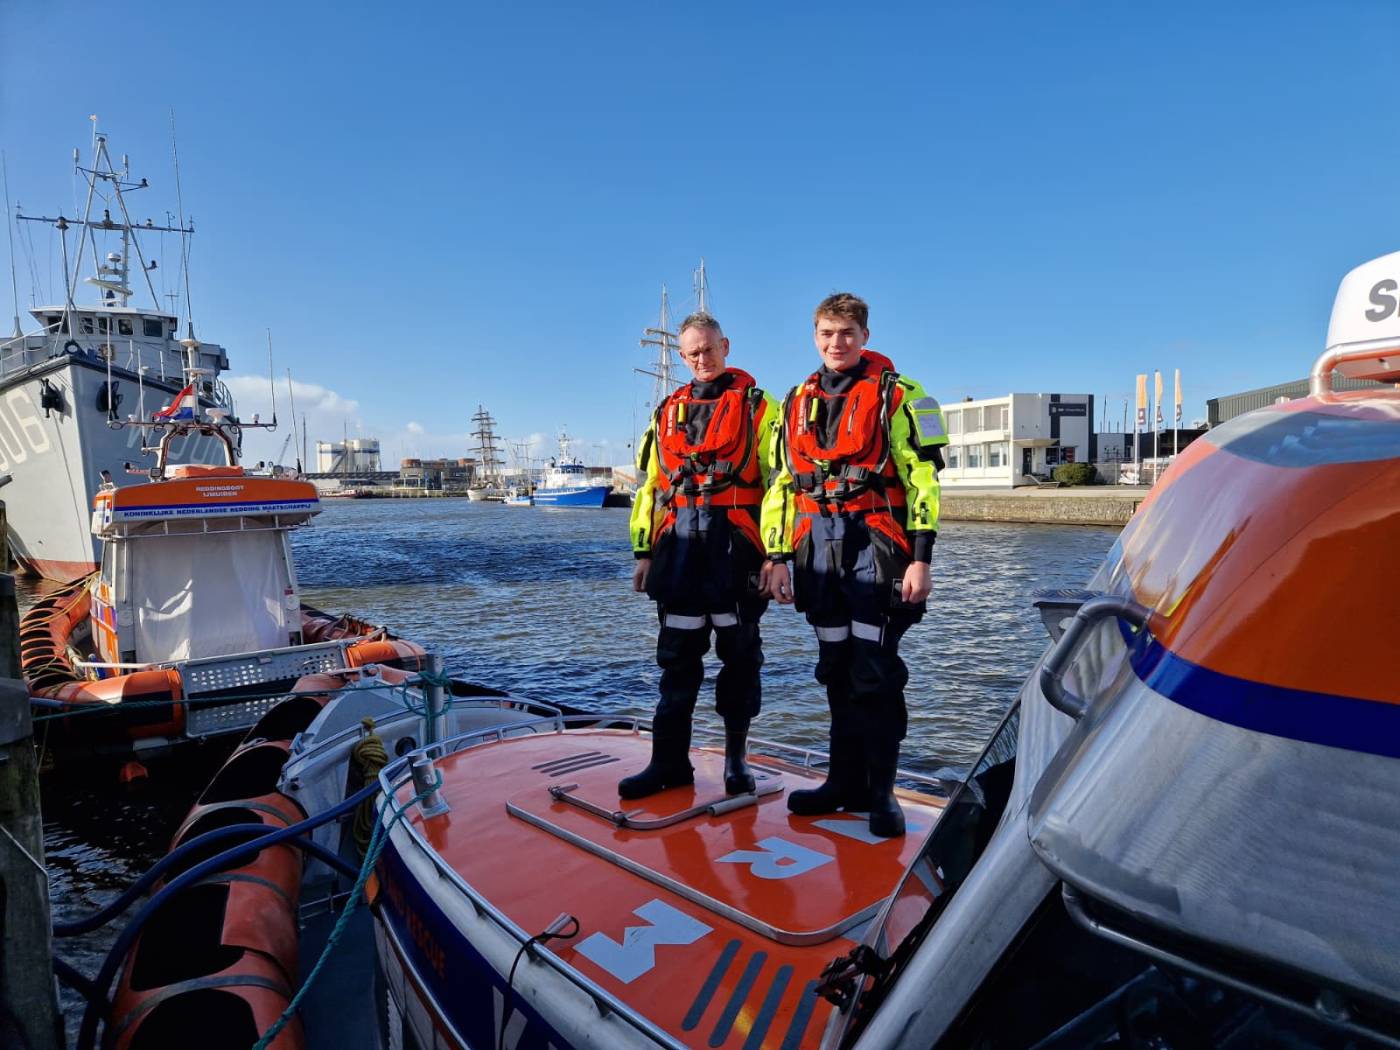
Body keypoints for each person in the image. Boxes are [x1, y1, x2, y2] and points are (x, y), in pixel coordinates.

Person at [761, 292, 946, 837]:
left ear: (865, 335)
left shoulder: (901, 395)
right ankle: (841, 782)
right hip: (816, 548)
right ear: (814, 337)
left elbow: (923, 482)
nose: (836, 343)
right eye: (826, 333)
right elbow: (782, 485)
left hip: (877, 545)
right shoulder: (795, 400)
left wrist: (921, 560)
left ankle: (881, 793)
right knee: (836, 669)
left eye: (846, 332)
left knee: (876, 672)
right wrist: (777, 556)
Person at [622, 312, 782, 799]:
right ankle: (668, 763)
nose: (701, 358)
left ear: (725, 346)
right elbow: (651, 487)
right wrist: (644, 551)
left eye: (709, 349)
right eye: (692, 352)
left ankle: (736, 763)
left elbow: (782, 485)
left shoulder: (762, 408)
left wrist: (776, 555)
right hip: (678, 554)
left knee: (740, 663)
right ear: (681, 356)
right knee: (676, 664)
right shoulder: (665, 412)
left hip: (737, 551)